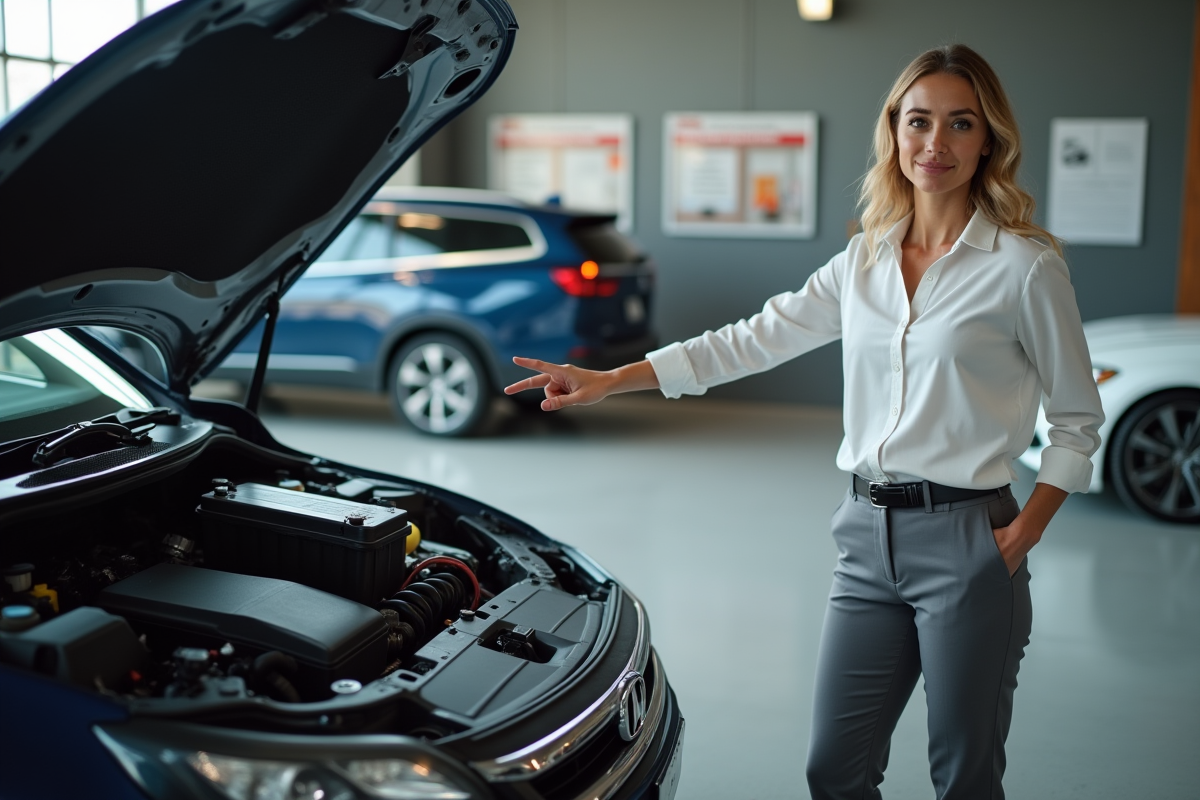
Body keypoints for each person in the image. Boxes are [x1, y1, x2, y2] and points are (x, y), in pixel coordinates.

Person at [504, 44, 1104, 800]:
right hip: (864, 535)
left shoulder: (1024, 267)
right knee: (834, 768)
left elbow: (1078, 420)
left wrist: (1022, 536)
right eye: (919, 122)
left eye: (960, 124)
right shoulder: (863, 263)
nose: (936, 143)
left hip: (969, 540)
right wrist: (613, 380)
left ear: (988, 140)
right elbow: (750, 339)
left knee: (965, 775)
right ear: (895, 132)